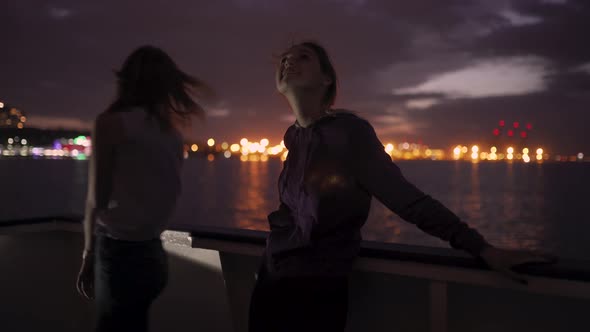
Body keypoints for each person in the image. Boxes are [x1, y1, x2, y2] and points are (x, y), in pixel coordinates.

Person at [248, 41, 555, 332]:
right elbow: (289, 216)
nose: (289, 61)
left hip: (315, 291)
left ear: (327, 78)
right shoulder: (294, 137)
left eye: (303, 56)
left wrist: (480, 247)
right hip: (272, 281)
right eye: (286, 57)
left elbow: (407, 200)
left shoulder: (350, 133)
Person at [76, 45, 209, 332]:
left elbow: (95, 199)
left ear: (126, 80)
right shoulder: (171, 134)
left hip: (119, 256)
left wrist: (88, 254)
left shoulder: (111, 123)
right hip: (153, 257)